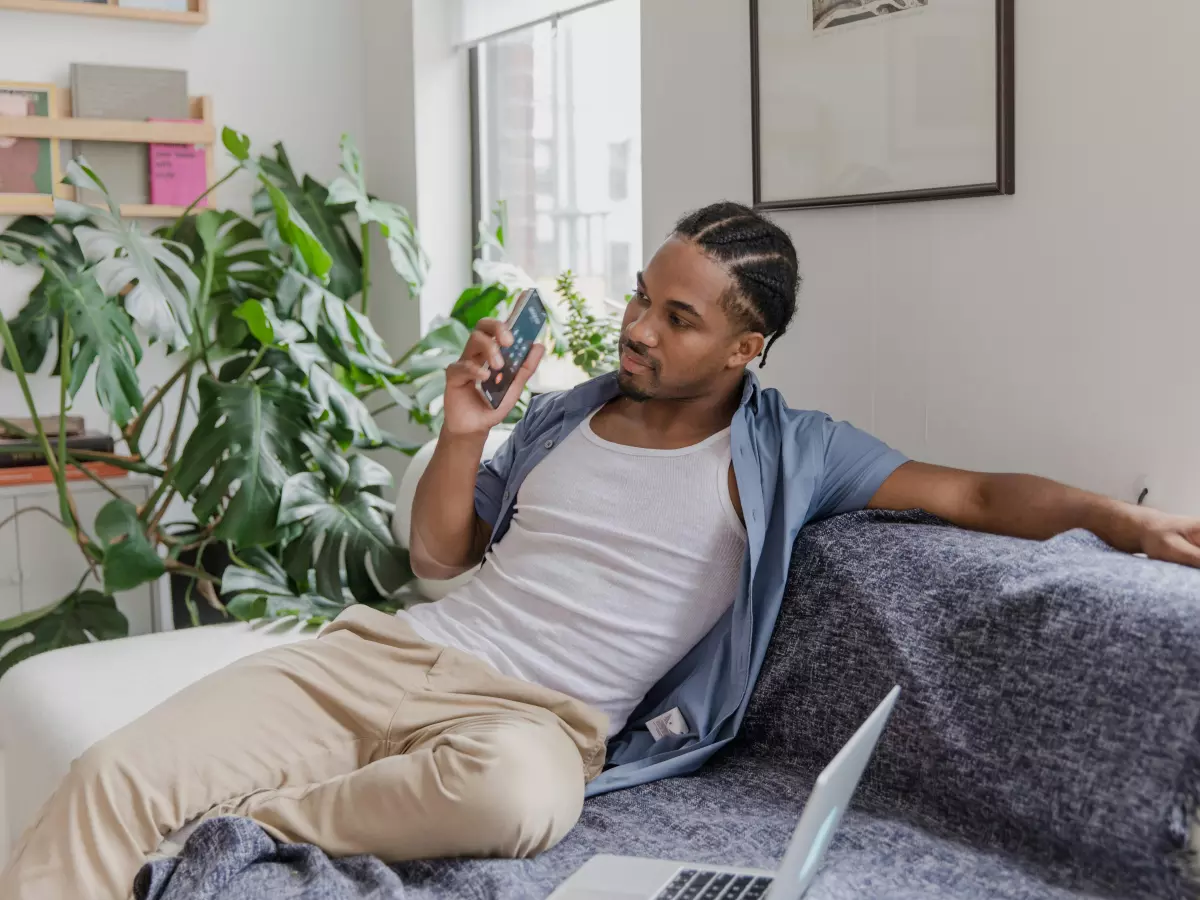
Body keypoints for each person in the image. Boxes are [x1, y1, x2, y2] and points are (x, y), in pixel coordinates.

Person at [4, 202, 1198, 900]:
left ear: (748, 348)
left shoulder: (798, 454)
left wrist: (1119, 517)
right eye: (641, 298)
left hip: (539, 719)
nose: (638, 327)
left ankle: (256, 822)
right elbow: (437, 560)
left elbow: (978, 489)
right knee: (114, 777)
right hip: (387, 655)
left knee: (520, 800)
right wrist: (463, 433)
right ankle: (225, 805)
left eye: (679, 317)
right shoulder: (565, 413)